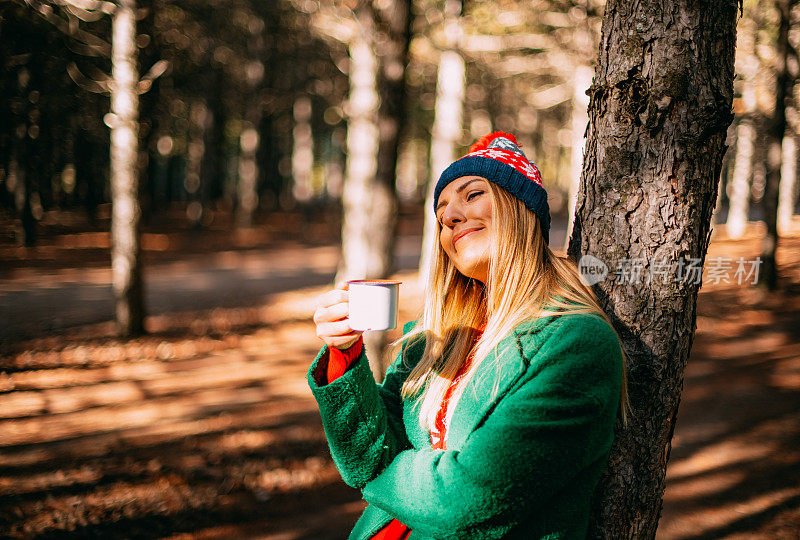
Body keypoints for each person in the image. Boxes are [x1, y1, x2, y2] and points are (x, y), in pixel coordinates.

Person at [309, 132, 628, 539]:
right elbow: (361, 452)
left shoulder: (576, 344)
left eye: (472, 194)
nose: (450, 216)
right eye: (441, 212)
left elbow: (464, 501)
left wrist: (381, 470)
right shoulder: (431, 341)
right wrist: (343, 353)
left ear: (520, 208)